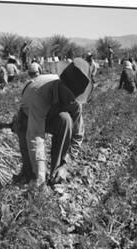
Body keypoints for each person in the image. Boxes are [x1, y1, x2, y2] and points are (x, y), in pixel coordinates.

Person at [12, 58, 92, 187]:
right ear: (61, 85)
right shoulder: (40, 94)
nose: (72, 101)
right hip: (28, 116)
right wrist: (40, 174)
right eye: (69, 96)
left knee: (65, 120)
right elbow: (36, 136)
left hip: (52, 114)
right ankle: (31, 177)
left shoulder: (75, 100)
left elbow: (78, 135)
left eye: (74, 98)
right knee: (31, 172)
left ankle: (56, 172)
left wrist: (66, 164)